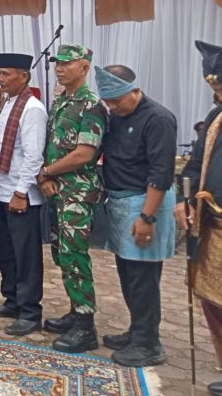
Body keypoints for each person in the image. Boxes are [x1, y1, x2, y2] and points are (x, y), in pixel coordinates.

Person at [95, 65, 176, 367]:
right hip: (121, 203)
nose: (113, 107)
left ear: (135, 89)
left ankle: (148, 345)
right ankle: (138, 331)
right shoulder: (117, 115)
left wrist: (147, 217)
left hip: (146, 204)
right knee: (129, 275)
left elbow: (161, 174)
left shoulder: (158, 118)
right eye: (109, 102)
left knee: (143, 278)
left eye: (117, 100)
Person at [38, 44, 108, 353]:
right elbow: (53, 144)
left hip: (78, 193)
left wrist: (47, 171)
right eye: (58, 63)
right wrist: (48, 177)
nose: (60, 68)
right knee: (62, 253)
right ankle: (74, 310)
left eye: (68, 63)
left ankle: (86, 326)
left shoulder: (91, 105)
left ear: (85, 67)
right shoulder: (61, 102)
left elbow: (84, 154)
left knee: (76, 255)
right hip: (58, 191)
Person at [0, 53, 47, 336]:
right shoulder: (8, 102)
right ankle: (12, 300)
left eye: (6, 74)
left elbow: (34, 156)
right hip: (1, 190)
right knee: (6, 250)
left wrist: (21, 192)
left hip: (21, 195)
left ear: (24, 76)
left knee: (26, 255)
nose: (0, 79)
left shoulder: (32, 108)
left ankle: (31, 312)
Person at [177, 40, 222, 396]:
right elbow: (194, 162)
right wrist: (185, 199)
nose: (216, 91)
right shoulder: (214, 117)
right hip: (212, 226)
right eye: (213, 85)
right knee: (211, 299)